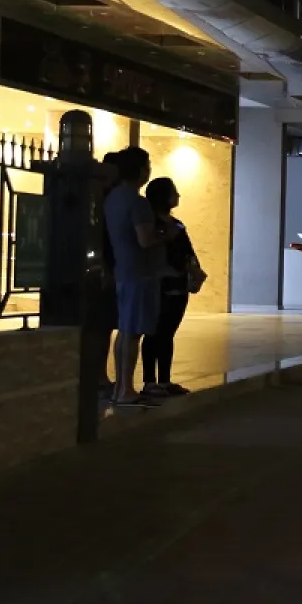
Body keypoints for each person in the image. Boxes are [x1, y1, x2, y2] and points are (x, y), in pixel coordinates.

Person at [103, 146, 167, 409]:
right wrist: (166, 236)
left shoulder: (112, 198)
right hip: (139, 274)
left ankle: (120, 388)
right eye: (147, 165)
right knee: (133, 334)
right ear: (141, 169)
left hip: (122, 271)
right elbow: (145, 239)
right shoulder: (137, 202)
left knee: (125, 332)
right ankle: (126, 389)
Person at [140, 177, 205, 398]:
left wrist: (194, 270)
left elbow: (188, 252)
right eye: (173, 192)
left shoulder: (176, 225)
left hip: (178, 284)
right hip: (159, 284)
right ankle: (150, 381)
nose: (178, 196)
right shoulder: (153, 226)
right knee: (153, 333)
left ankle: (165, 380)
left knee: (167, 334)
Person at [95, 150, 126, 400]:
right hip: (103, 270)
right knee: (101, 326)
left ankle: (100, 375)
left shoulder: (107, 198)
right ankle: (98, 375)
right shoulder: (101, 200)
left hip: (110, 268)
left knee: (105, 326)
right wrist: (104, 266)